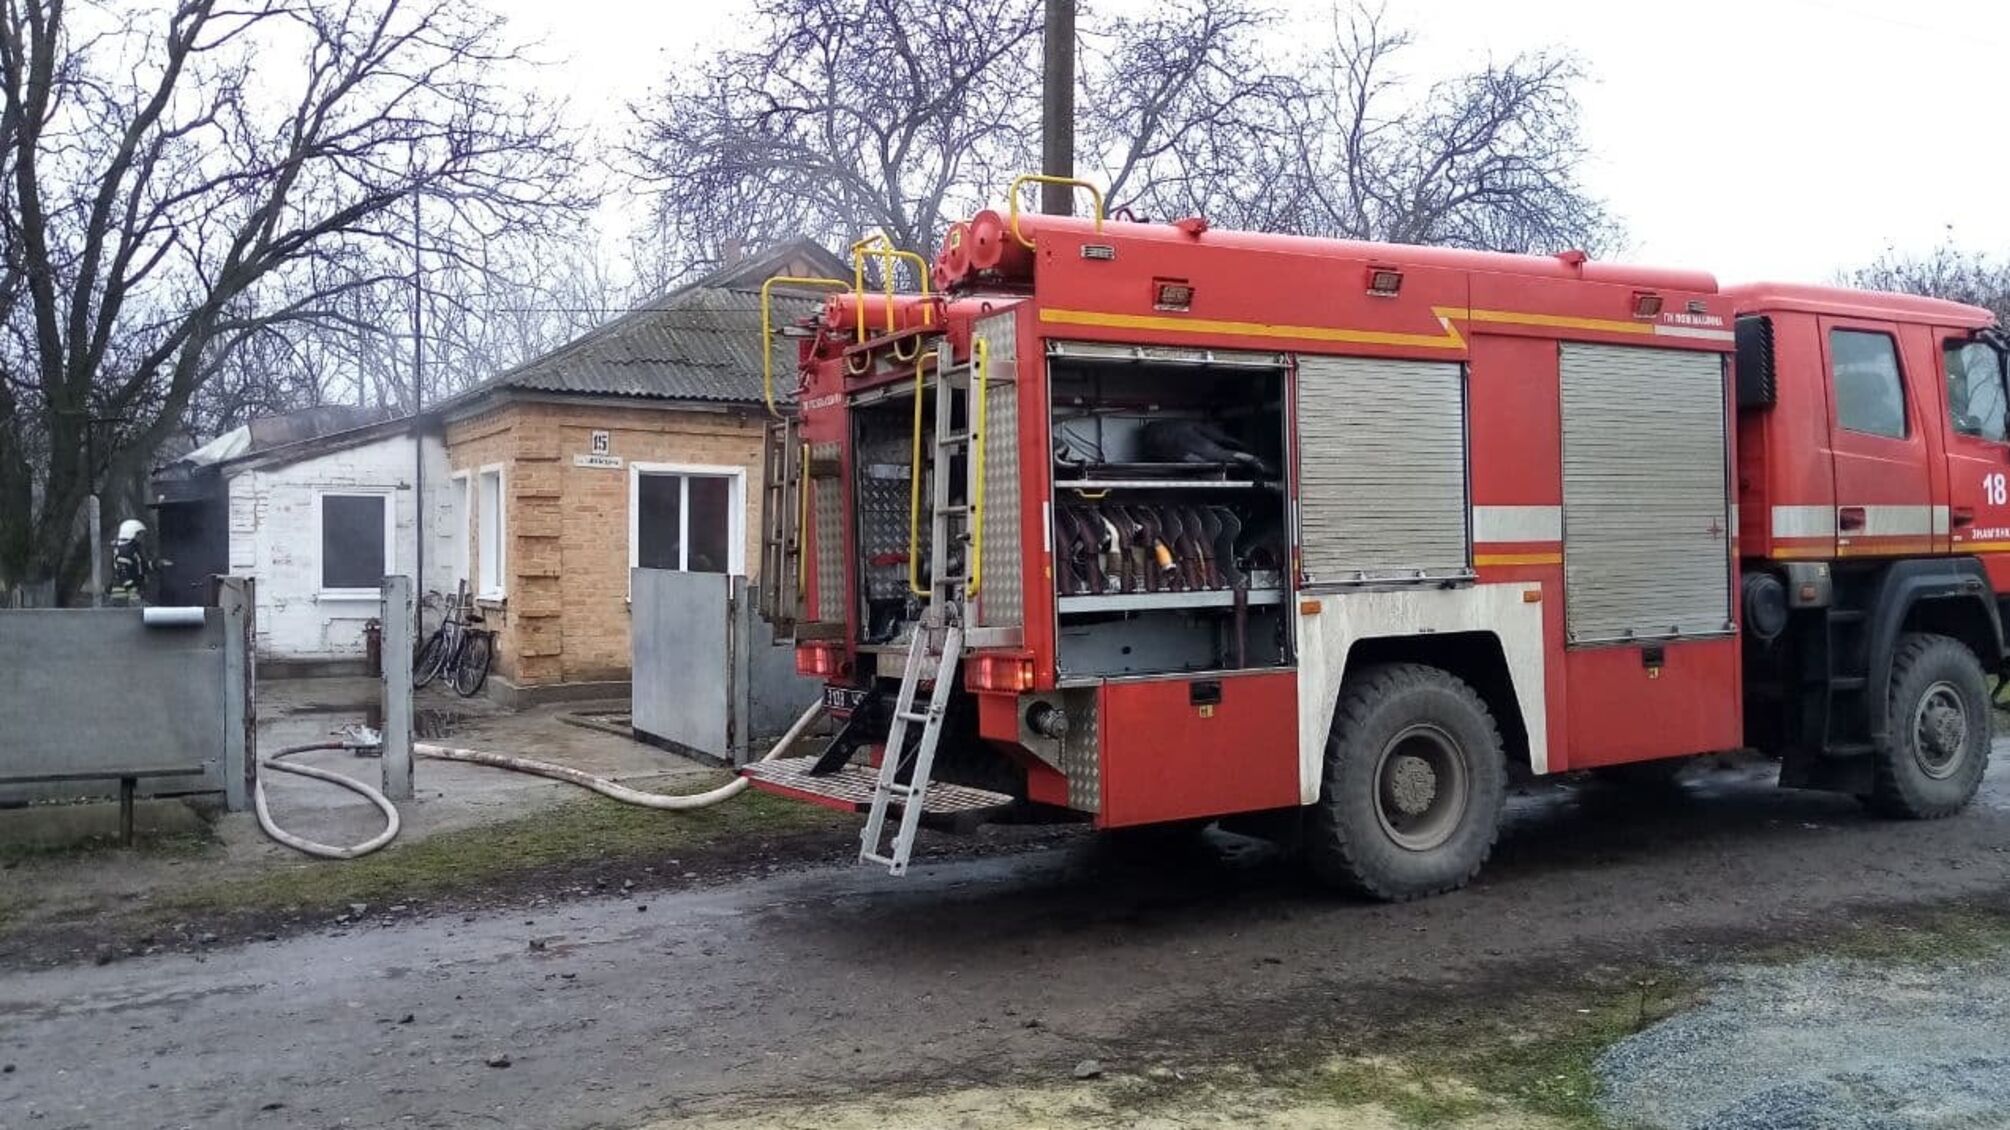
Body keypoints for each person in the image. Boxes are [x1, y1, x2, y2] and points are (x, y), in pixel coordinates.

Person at [109, 518, 152, 607]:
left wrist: (155, 564)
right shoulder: (125, 550)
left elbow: (139, 566)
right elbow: (122, 571)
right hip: (124, 592)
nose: (141, 537)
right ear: (131, 533)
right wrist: (131, 589)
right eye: (139, 534)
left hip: (132, 590)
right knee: (129, 614)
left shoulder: (132, 548)